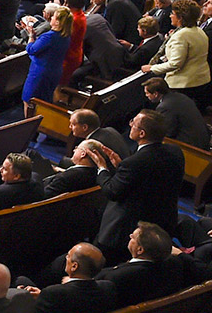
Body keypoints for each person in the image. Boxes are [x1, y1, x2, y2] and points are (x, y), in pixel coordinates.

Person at [74, 109, 185, 261]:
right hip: (163, 223)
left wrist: (102, 168)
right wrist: (121, 167)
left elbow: (112, 191)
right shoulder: (175, 152)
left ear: (142, 134)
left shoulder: (134, 163)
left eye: (134, 123)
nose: (130, 124)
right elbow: (146, 180)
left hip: (128, 229)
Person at [147, 0, 211, 108]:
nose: (170, 15)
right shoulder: (199, 30)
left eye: (172, 13)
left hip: (183, 85)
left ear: (180, 18)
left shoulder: (181, 35)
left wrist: (151, 68)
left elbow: (175, 64)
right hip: (200, 80)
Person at [22, 6, 70, 105]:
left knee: (29, 100)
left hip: (40, 73)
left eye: (54, 17)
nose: (51, 18)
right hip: (55, 71)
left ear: (57, 22)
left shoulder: (49, 37)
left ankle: (29, 120)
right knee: (45, 101)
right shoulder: (66, 35)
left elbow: (31, 50)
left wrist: (31, 35)